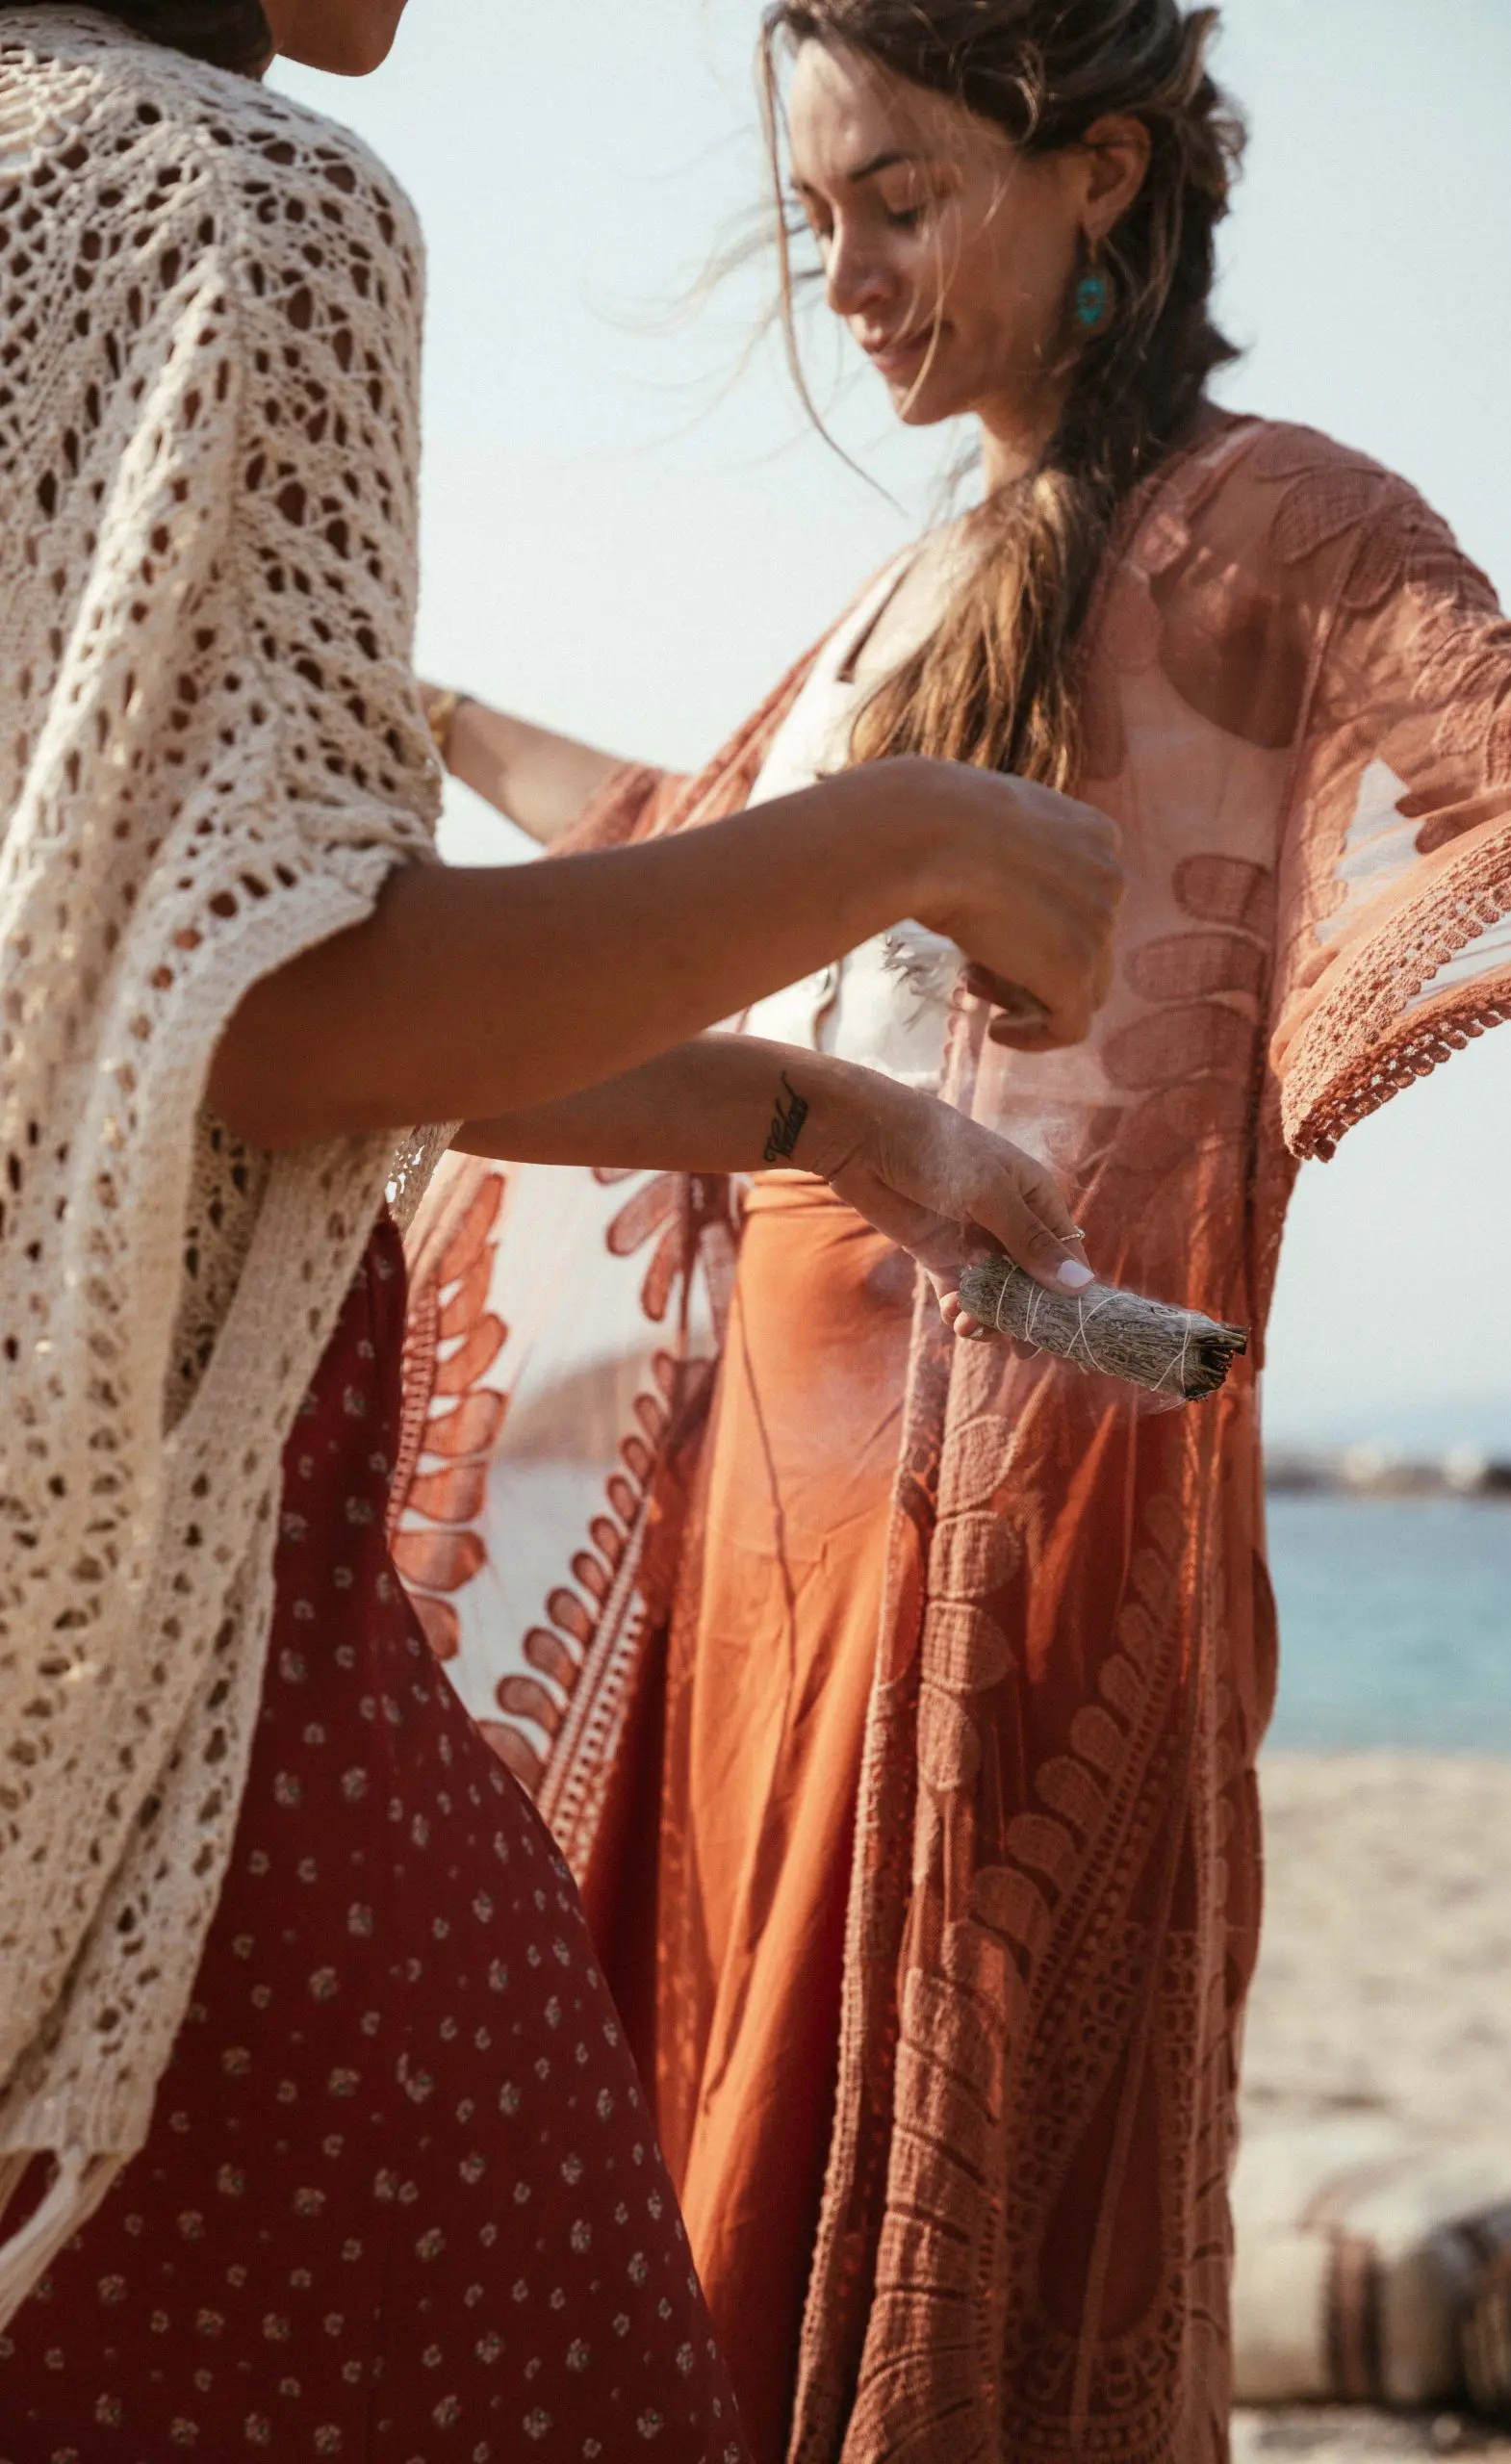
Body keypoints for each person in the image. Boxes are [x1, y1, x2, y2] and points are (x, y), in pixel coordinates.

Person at [406, 3, 1511, 2458]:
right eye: (812, 217)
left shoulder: (1280, 521)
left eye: (897, 197)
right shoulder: (921, 576)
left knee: (947, 2165)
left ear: (1096, 176)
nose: (843, 275)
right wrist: (422, 715)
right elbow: (686, 835)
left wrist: (1296, 1043)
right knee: (720, 2152)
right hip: (765, 1505)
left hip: (1019, 1498)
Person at [0, 2, 1129, 2454]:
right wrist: (909, 834)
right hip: (181, 1715)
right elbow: (279, 1018)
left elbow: (135, 1000)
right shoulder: (239, 203)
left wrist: (820, 1107)